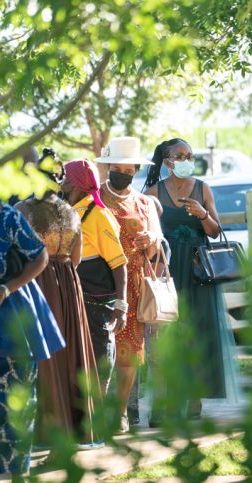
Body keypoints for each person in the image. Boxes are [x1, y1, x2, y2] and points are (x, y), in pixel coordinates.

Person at [144, 137, 242, 422]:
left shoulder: (202, 188)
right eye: (179, 155)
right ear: (166, 161)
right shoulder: (153, 192)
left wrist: (201, 214)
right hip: (168, 272)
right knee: (166, 339)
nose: (186, 160)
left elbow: (214, 231)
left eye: (189, 155)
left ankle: (195, 399)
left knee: (198, 335)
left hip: (198, 271)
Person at [0, 202, 65, 483]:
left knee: (19, 393)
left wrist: (5, 289)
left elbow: (40, 257)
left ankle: (19, 471)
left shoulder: (10, 217)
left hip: (10, 307)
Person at [15, 149, 100, 445]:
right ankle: (76, 424)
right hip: (68, 281)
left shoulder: (23, 210)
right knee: (70, 349)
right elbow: (76, 258)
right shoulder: (71, 212)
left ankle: (47, 424)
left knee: (42, 352)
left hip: (37, 280)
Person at [95, 137, 163, 433]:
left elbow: (156, 248)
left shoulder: (145, 203)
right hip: (98, 283)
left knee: (129, 353)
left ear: (135, 169)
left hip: (134, 286)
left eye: (128, 169)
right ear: (108, 167)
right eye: (116, 168)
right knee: (98, 351)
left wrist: (150, 241)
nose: (122, 173)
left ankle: (119, 413)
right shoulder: (93, 198)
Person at [60, 159, 128, 394]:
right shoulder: (70, 211)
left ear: (77, 183)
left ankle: (99, 414)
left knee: (99, 355)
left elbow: (118, 263)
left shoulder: (97, 214)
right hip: (75, 295)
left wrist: (121, 304)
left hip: (97, 300)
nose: (62, 181)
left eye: (66, 177)